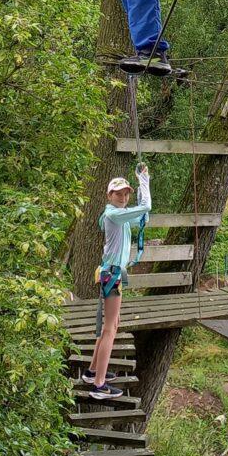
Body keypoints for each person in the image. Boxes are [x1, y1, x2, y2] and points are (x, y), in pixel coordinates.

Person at [81, 162, 151, 398]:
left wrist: (141, 193)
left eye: (126, 194)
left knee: (111, 325)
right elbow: (146, 207)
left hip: (112, 274)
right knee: (110, 329)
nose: (123, 197)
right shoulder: (113, 214)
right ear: (109, 195)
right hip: (111, 275)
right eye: (118, 194)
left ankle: (92, 371)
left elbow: (144, 216)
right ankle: (99, 385)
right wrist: (144, 180)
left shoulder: (118, 216)